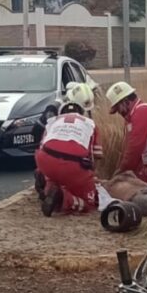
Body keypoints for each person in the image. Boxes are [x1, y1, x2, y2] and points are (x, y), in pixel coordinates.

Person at [35, 81, 102, 216]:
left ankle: (47, 187)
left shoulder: (52, 121)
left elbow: (41, 146)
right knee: (90, 202)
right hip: (72, 164)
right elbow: (95, 157)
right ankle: (64, 199)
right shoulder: (90, 125)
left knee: (52, 172)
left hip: (45, 161)